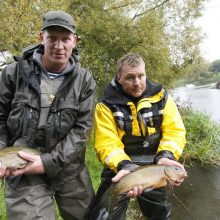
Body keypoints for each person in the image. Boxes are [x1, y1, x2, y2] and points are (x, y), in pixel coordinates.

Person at [0, 10, 96, 220]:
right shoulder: (12, 74)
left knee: (92, 216)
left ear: (75, 41)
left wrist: (47, 162)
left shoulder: (85, 81)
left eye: (65, 39)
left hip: (68, 167)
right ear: (41, 37)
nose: (58, 46)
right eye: (52, 38)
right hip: (22, 166)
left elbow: (81, 131)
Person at [90, 53, 186, 220]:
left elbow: (174, 131)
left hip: (156, 165)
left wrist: (166, 156)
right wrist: (125, 166)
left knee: (161, 216)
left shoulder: (162, 97)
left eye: (141, 76)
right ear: (119, 78)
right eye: (130, 77)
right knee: (103, 215)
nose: (137, 82)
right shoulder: (105, 104)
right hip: (119, 168)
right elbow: (107, 144)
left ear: (145, 73)